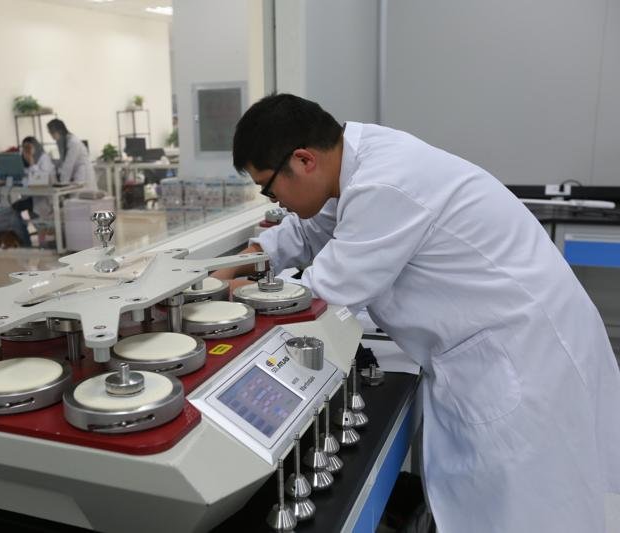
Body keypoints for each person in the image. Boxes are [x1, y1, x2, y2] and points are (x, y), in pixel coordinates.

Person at [215, 94, 620, 533]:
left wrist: (243, 294)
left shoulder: (384, 184)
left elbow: (325, 293)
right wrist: (252, 255)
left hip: (525, 359)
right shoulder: (357, 161)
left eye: (270, 189)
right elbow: (311, 225)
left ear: (304, 160)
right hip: (503, 344)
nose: (274, 200)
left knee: (528, 511)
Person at [46, 118, 97, 189]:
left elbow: (68, 164)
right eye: (50, 132)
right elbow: (62, 161)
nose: (51, 135)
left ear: (60, 130)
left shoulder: (73, 142)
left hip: (83, 175)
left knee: (80, 197)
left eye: (52, 132)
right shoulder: (61, 141)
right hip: (75, 176)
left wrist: (62, 183)